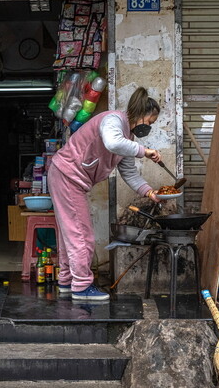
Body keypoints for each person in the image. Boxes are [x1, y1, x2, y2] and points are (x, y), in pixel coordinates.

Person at [48, 86, 162, 301]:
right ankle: (81, 287)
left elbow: (129, 173)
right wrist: (145, 151)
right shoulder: (114, 120)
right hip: (67, 175)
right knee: (81, 234)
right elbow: (112, 142)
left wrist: (150, 193)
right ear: (140, 114)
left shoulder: (127, 138)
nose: (149, 127)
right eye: (150, 122)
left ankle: (66, 281)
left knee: (69, 234)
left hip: (66, 175)